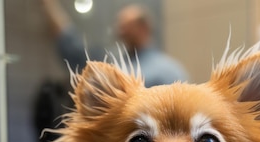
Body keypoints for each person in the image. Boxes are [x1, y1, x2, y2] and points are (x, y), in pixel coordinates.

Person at [41, 0, 188, 87]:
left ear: (144, 28)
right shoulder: (115, 63)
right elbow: (74, 50)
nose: (120, 31)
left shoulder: (167, 70)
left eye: (127, 26)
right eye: (120, 26)